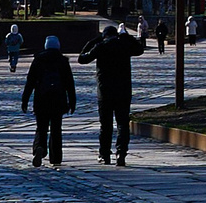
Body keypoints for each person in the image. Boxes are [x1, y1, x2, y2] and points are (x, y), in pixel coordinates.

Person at [77, 22, 147, 163]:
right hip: (123, 90)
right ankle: (121, 153)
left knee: (106, 124)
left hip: (105, 91)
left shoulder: (101, 46)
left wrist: (94, 41)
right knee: (122, 123)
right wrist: (126, 36)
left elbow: (82, 59)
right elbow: (140, 49)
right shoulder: (124, 46)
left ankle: (104, 154)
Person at [21, 34, 77, 167]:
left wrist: (25, 100)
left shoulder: (38, 60)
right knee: (56, 129)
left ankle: (39, 148)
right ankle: (56, 157)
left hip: (41, 99)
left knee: (41, 127)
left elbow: (30, 82)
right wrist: (72, 101)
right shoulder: (63, 61)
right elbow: (69, 83)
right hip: (58, 100)